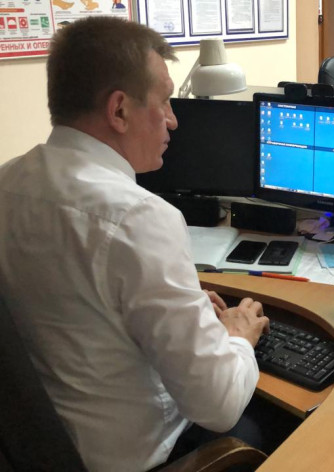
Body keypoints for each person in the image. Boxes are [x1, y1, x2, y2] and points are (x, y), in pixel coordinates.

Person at [0, 17, 278, 472]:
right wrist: (238, 336)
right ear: (119, 111)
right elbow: (220, 405)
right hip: (138, 457)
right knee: (273, 421)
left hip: (45, 446)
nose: (173, 119)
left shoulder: (8, 182)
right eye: (164, 100)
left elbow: (81, 305)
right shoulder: (139, 218)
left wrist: (182, 307)